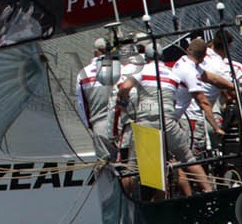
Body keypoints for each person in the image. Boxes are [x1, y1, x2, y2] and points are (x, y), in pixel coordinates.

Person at [123, 47, 211, 195]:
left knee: (132, 167)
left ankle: (123, 198)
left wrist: (122, 99)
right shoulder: (173, 74)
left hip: (146, 122)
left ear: (146, 58)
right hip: (168, 121)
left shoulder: (141, 70)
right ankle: (209, 191)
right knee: (188, 159)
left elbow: (125, 87)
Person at [76, 38, 116, 158]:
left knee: (106, 167)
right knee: (129, 167)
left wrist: (89, 125)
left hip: (99, 126)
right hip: (120, 126)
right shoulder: (120, 69)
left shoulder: (83, 74)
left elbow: (82, 104)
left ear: (95, 52)